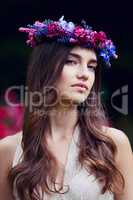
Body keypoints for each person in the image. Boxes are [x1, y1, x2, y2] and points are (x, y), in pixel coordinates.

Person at [0, 16, 133, 200]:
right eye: (72, 61)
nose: (85, 74)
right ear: (45, 68)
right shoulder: (9, 149)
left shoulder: (113, 144)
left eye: (92, 66)